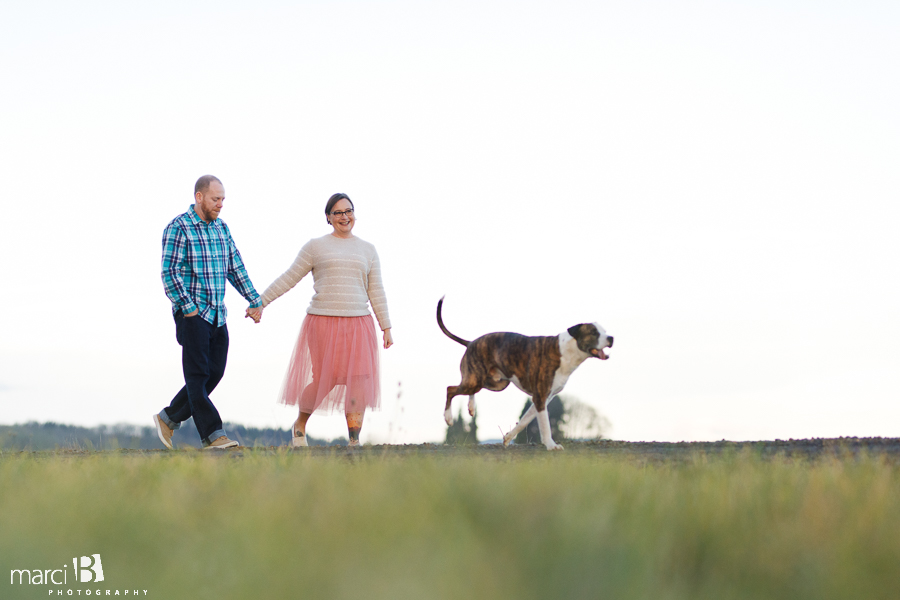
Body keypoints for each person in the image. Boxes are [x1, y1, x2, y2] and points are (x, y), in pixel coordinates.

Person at [258, 193, 393, 447]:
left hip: (359, 323)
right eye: (338, 212)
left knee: (359, 381)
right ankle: (300, 424)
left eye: (349, 211)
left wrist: (386, 326)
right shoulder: (315, 247)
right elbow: (290, 277)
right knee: (325, 379)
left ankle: (354, 441)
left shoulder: (368, 250)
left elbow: (376, 290)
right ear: (328, 218)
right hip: (323, 323)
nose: (345, 217)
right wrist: (261, 302)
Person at [153, 175, 263, 450]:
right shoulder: (179, 227)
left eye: (223, 199)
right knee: (198, 376)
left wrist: (254, 299)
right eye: (216, 199)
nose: (220, 204)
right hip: (193, 315)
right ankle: (213, 435)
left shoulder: (222, 229)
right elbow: (170, 272)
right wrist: (188, 308)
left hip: (218, 315)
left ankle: (168, 418)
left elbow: (235, 267)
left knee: (214, 373)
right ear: (199, 197)